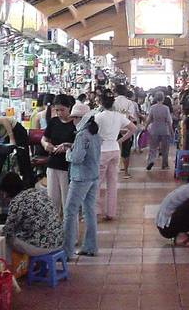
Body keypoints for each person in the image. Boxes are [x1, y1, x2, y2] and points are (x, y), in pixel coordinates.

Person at [0, 172, 63, 256]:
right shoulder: (37, 192)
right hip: (58, 241)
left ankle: (6, 265)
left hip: (42, 246)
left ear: (6, 192)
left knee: (0, 231)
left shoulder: (17, 202)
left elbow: (8, 231)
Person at [64, 107, 101, 257]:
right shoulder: (95, 133)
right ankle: (90, 247)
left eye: (74, 118)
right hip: (93, 175)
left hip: (80, 177)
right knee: (89, 211)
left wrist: (68, 153)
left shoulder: (81, 135)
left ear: (81, 119)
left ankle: (67, 251)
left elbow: (77, 159)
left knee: (70, 212)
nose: (73, 121)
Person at [95, 90, 136, 220]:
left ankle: (96, 211)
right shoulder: (119, 116)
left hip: (102, 151)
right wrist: (120, 140)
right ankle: (110, 212)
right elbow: (133, 128)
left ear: (101, 103)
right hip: (115, 150)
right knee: (112, 183)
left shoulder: (98, 117)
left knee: (97, 183)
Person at [156, 167, 189, 247]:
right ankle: (181, 237)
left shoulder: (188, 187)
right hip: (167, 228)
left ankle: (181, 233)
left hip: (163, 225)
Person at [41, 94, 76, 214]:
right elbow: (44, 138)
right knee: (53, 201)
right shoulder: (54, 122)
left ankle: (69, 231)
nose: (60, 113)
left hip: (67, 167)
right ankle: (55, 229)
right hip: (52, 164)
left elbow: (79, 146)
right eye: (57, 110)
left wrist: (67, 147)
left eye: (62, 110)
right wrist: (46, 145)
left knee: (67, 201)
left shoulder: (75, 124)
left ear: (69, 107)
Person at [114, 84, 138, 179]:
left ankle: (115, 169)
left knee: (114, 148)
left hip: (114, 129)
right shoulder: (129, 103)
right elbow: (131, 117)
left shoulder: (113, 102)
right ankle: (126, 172)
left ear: (115, 92)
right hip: (126, 128)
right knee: (126, 151)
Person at [146, 91, 174, 171]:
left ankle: (150, 161)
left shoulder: (152, 108)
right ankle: (164, 165)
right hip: (165, 130)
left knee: (152, 148)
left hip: (154, 130)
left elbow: (149, 119)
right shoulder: (166, 108)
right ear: (163, 98)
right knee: (165, 149)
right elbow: (169, 121)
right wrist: (171, 131)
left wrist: (146, 127)